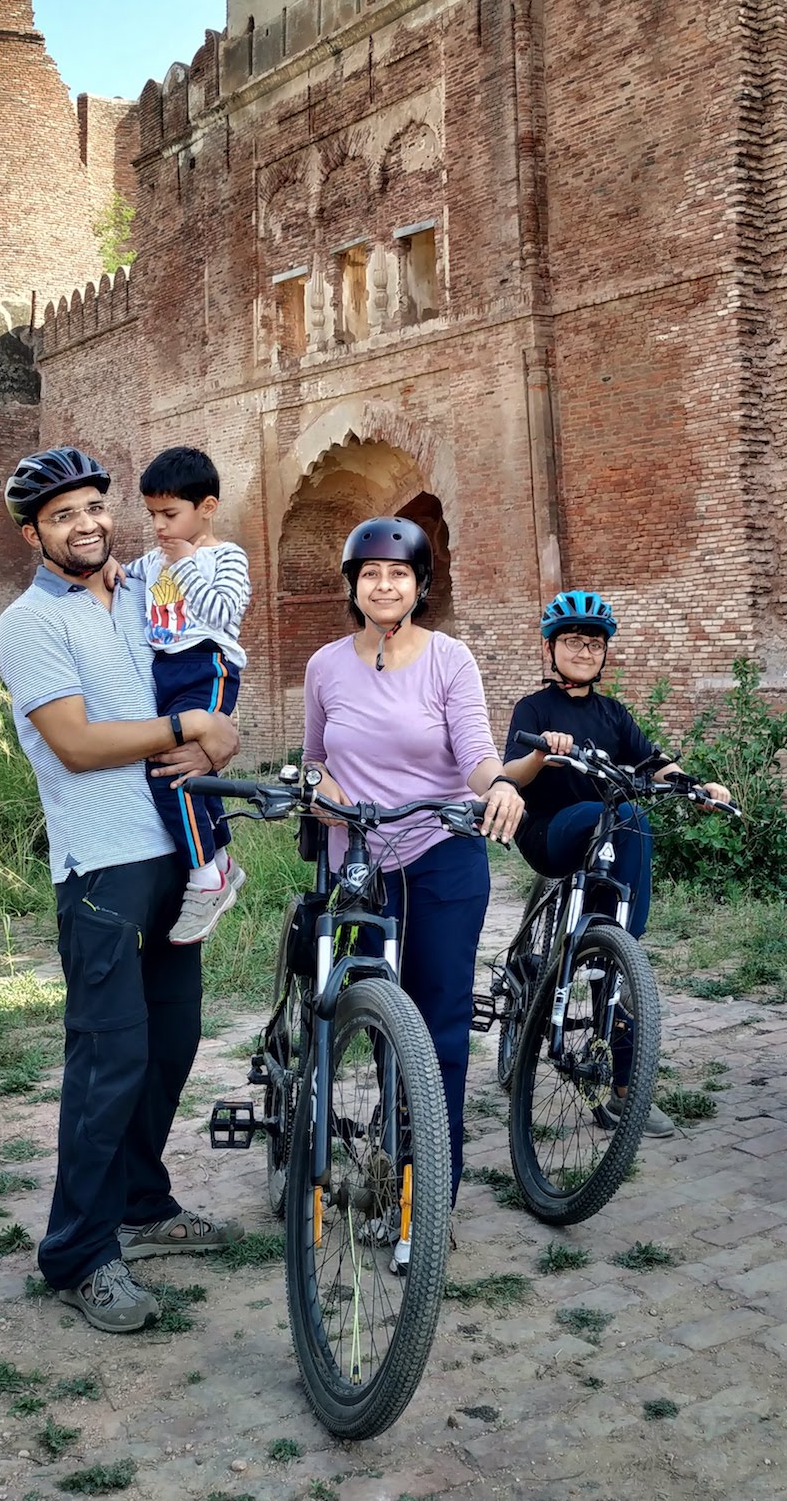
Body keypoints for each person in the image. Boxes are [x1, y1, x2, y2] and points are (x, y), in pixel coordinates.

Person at [0, 445, 242, 1334]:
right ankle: (79, 1253)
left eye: (94, 506)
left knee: (171, 1042)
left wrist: (219, 732)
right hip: (101, 865)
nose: (86, 523)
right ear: (33, 534)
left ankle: (142, 1201)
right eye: (62, 515)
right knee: (108, 1062)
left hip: (176, 850)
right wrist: (186, 725)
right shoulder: (27, 623)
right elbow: (77, 742)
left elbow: (205, 667)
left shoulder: (143, 589)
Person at [302, 515, 524, 1221]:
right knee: (381, 1018)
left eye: (398, 573)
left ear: (419, 584)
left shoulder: (448, 659)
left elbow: (475, 751)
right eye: (370, 573)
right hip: (362, 860)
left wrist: (499, 786)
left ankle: (429, 1194)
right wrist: (321, 789)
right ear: (352, 584)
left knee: (442, 1022)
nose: (384, 584)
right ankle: (393, 1143)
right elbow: (312, 757)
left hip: (439, 853)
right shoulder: (324, 666)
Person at [498, 590, 732, 1138]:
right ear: (552, 647)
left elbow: (655, 762)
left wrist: (695, 786)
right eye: (574, 641)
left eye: (594, 642)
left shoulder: (612, 714)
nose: (584, 650)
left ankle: (623, 1089)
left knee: (617, 970)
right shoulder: (534, 708)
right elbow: (511, 773)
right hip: (550, 832)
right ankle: (622, 932)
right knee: (624, 812)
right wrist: (541, 751)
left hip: (604, 838)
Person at [111, 445, 252, 946]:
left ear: (206, 507)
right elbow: (127, 582)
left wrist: (189, 564)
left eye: (170, 514)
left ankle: (206, 876)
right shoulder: (153, 561)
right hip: (166, 670)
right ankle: (221, 861)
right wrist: (113, 570)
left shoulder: (226, 557)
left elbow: (222, 613)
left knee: (174, 773)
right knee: (188, 771)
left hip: (208, 664)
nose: (160, 527)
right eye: (152, 515)